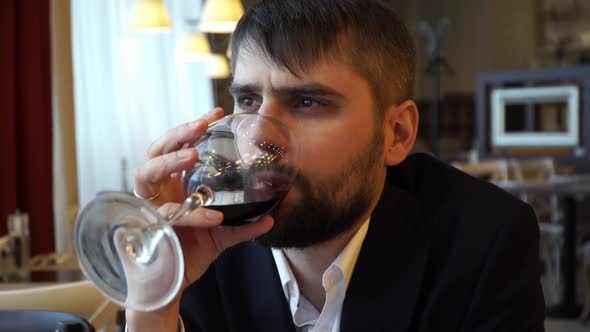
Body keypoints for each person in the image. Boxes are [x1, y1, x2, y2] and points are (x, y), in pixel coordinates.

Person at [128, 0, 545, 331]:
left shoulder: (482, 240)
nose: (257, 135)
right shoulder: (202, 239)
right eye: (249, 101)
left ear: (396, 133)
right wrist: (154, 304)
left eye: (308, 102)